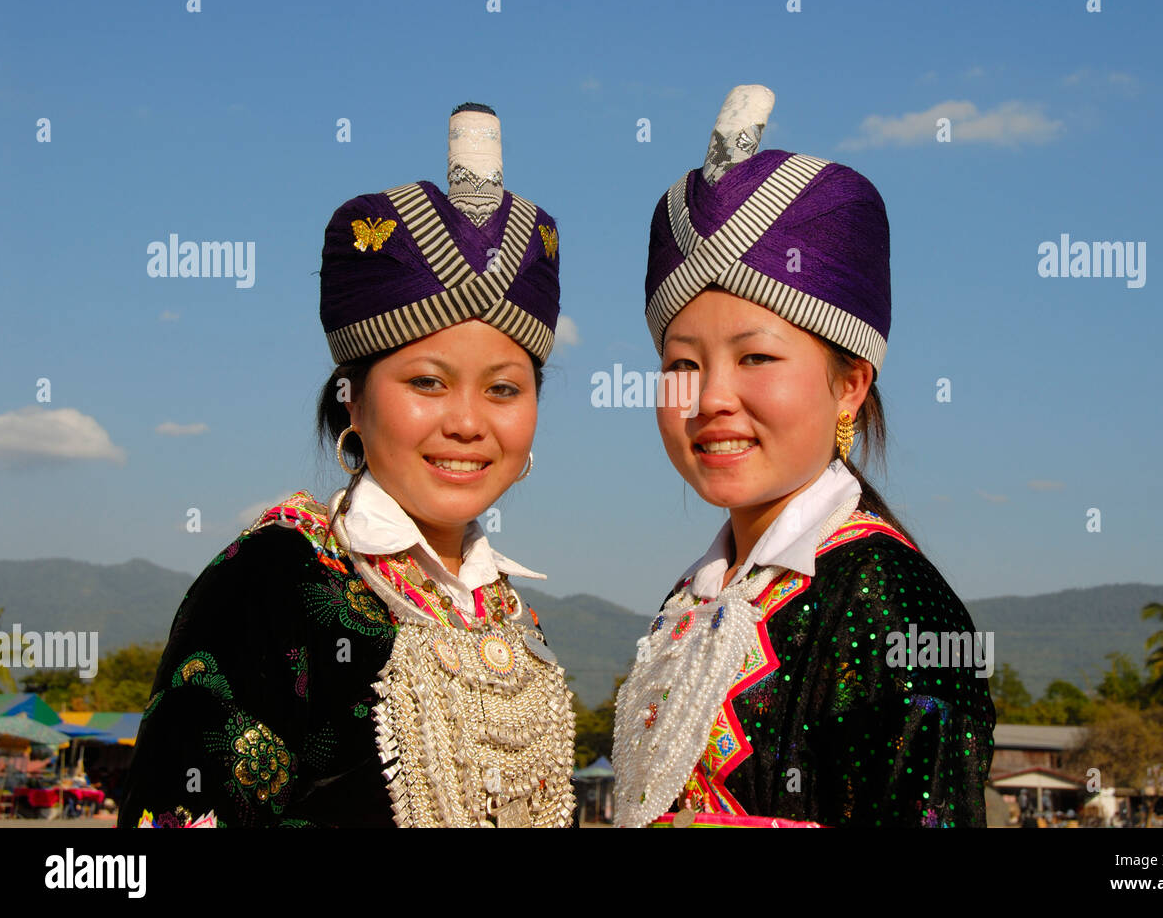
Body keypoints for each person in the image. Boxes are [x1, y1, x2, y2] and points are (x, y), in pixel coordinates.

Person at [119, 103, 577, 828]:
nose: (467, 421)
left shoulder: (512, 616)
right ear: (353, 404)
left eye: (503, 389)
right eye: (426, 381)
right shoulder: (270, 582)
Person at [612, 85, 995, 828]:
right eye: (683, 365)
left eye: (756, 357)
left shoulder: (900, 610)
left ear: (849, 385)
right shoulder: (695, 600)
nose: (712, 399)